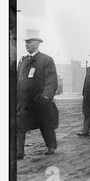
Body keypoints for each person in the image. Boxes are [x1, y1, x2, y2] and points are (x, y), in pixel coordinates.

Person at [17, 29, 59, 159]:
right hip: (24, 101)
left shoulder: (46, 60)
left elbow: (51, 80)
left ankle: (51, 146)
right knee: (19, 125)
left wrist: (46, 96)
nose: (26, 44)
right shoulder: (22, 61)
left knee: (45, 124)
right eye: (26, 42)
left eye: (29, 42)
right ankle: (19, 152)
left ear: (37, 43)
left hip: (40, 100)